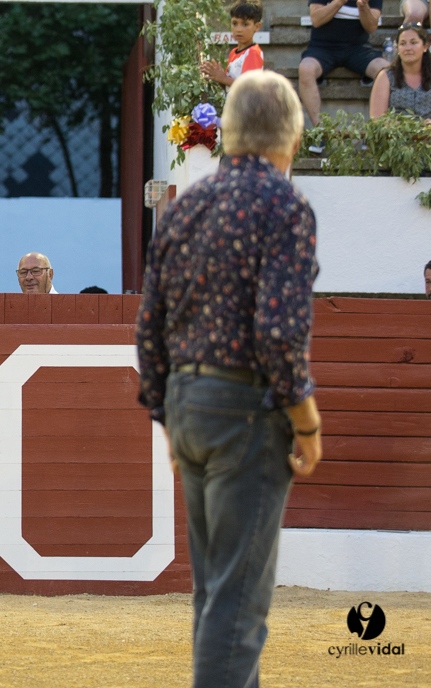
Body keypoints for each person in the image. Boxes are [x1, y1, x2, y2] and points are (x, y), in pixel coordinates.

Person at [136, 70, 322, 688]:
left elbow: (151, 324)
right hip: (245, 408)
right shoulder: (285, 206)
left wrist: (167, 417)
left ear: (229, 136)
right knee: (239, 604)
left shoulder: (186, 206)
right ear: (290, 139)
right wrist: (307, 421)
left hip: (189, 405)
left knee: (216, 590)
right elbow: (277, 332)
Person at [298, 0, 389, 124]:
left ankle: (376, 130)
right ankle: (320, 129)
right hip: (323, 47)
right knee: (305, 69)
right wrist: (339, 1)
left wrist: (363, 7)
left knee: (386, 70)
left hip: (357, 48)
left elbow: (371, 27)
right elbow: (316, 19)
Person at [369, 22, 431, 119]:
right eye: (403, 44)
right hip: (396, 132)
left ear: (425, 46)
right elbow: (377, 119)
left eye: (413, 43)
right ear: (397, 48)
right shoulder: (386, 76)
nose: (408, 48)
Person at [200, 0, 265, 87]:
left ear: (257, 27)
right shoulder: (233, 53)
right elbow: (229, 85)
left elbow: (249, 87)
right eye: (235, 23)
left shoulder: (253, 53)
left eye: (245, 24)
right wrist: (216, 76)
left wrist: (223, 78)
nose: (238, 29)